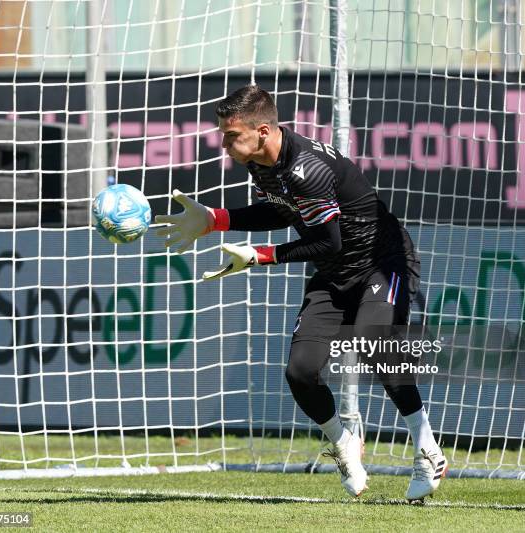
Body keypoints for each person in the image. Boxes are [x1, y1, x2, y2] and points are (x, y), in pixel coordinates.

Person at [155, 85, 447, 501]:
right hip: (333, 272)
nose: (222, 142)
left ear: (261, 130)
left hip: (381, 262)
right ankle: (344, 441)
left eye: (230, 134)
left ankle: (427, 448)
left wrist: (261, 255)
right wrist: (215, 218)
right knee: (300, 372)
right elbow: (280, 209)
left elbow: (330, 241)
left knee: (374, 342)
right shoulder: (261, 162)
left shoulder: (306, 168)